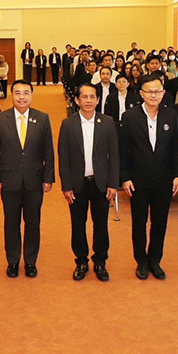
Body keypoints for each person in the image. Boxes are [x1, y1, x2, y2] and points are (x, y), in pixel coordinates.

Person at [0, 80, 55, 278]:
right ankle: (13, 260)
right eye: (17, 93)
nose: (22, 97)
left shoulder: (42, 118)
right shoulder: (0, 119)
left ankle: (31, 261)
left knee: (33, 222)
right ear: (12, 95)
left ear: (31, 96)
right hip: (9, 179)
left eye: (26, 93)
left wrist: (48, 178)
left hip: (35, 179)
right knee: (11, 222)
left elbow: (49, 151)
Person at [120, 74, 178, 280]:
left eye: (157, 91)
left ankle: (155, 260)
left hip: (164, 179)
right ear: (141, 93)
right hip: (138, 180)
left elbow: (175, 148)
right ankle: (141, 261)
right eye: (149, 91)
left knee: (160, 222)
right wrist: (125, 177)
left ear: (163, 93)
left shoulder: (171, 115)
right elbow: (123, 150)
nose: (153, 95)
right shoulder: (129, 117)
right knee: (139, 222)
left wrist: (177, 175)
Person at [58, 83, 119, 282]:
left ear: (98, 100)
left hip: (101, 183)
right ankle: (81, 262)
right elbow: (63, 158)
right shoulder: (68, 124)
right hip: (77, 184)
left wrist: (113, 184)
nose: (89, 100)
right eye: (84, 97)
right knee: (78, 225)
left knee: (101, 225)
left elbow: (114, 155)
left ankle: (100, 262)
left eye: (93, 97)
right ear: (77, 100)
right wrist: (66, 186)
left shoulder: (107, 122)